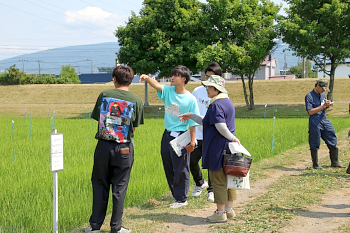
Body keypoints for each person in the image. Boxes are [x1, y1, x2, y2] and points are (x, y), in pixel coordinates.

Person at [85, 65, 144, 233]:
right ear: (131, 81)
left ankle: (94, 226)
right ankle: (116, 228)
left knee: (99, 184)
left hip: (103, 147)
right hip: (124, 148)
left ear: (114, 78)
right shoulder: (136, 100)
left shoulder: (104, 95)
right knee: (120, 188)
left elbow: (99, 119)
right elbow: (134, 127)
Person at [179, 75, 240, 223]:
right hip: (229, 149)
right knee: (229, 179)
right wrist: (192, 115)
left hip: (218, 149)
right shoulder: (226, 102)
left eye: (209, 87)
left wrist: (232, 137)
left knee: (218, 180)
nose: (206, 89)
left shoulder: (216, 105)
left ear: (216, 89)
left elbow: (220, 126)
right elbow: (207, 121)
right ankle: (229, 210)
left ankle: (220, 213)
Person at [139, 65, 199, 208]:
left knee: (181, 168)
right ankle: (176, 196)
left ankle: (182, 199)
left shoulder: (190, 99)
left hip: (181, 136)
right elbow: (157, 86)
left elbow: (193, 122)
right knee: (169, 166)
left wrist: (192, 142)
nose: (173, 77)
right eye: (172, 75)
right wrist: (147, 78)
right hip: (167, 135)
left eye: (176, 75)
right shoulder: (168, 91)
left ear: (184, 79)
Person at [190, 62, 222, 201]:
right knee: (191, 161)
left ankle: (212, 190)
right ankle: (200, 183)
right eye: (207, 76)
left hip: (212, 134)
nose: (208, 80)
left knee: (210, 162)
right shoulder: (197, 91)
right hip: (197, 133)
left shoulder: (220, 94)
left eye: (212, 77)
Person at [305, 79, 345, 169]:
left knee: (332, 138)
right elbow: (311, 112)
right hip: (315, 121)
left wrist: (326, 106)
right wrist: (323, 106)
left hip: (324, 119)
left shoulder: (322, 95)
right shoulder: (309, 96)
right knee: (315, 141)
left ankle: (335, 162)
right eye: (322, 88)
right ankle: (315, 165)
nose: (323, 91)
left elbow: (322, 109)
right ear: (318, 85)